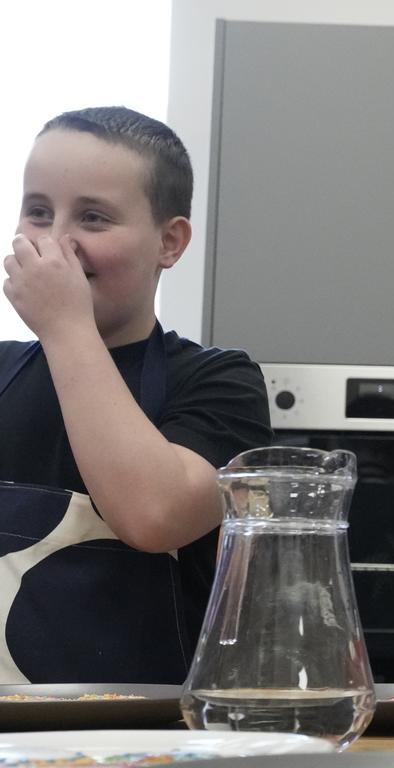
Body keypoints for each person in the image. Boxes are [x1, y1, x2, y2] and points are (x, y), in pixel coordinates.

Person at [0, 106, 273, 684]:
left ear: (169, 243)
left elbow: (155, 516)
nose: (56, 243)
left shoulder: (219, 381)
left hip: (149, 736)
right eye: (38, 212)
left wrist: (66, 326)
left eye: (93, 218)